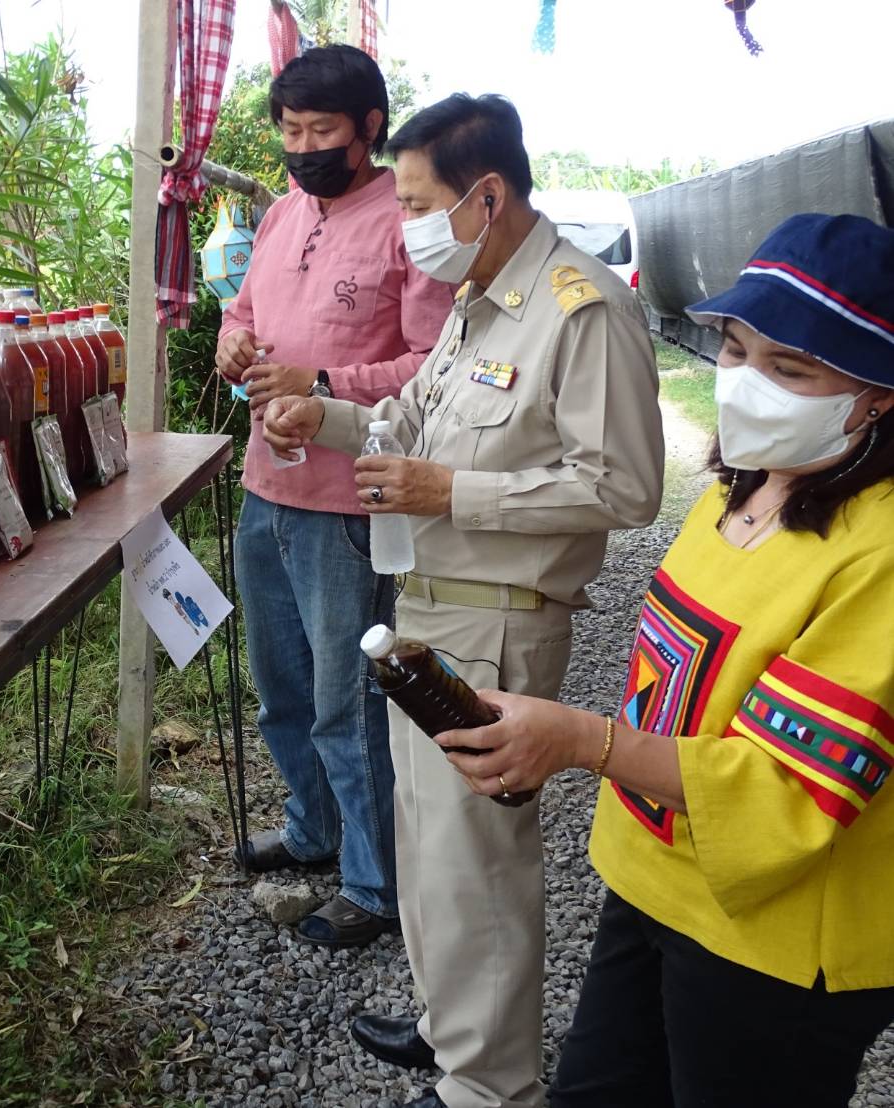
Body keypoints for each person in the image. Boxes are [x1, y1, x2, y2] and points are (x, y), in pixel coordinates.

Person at [428, 212, 894, 1108]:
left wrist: (581, 741)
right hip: (654, 878)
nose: (747, 383)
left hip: (776, 939)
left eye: (790, 369)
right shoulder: (737, 493)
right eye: (735, 350)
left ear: (877, 393)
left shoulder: (878, 553)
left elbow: (789, 786)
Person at [262, 93, 664, 1108]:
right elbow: (411, 414)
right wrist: (327, 416)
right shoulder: (479, 296)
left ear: (484, 197)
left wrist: (452, 492)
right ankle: (451, 1030)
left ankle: (488, 1083)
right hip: (428, 607)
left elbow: (624, 486)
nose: (405, 227)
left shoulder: (579, 308)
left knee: (476, 862)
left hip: (497, 619)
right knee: (430, 845)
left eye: (415, 205)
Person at [219, 44, 456, 948]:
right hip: (266, 484)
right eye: (289, 130)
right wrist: (232, 343)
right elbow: (244, 313)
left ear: (368, 128)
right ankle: (312, 829)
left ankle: (374, 881)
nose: (302, 147)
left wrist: (320, 381)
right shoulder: (283, 212)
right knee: (280, 688)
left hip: (348, 502)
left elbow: (432, 369)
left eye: (321, 130)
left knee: (347, 702)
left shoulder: (405, 222)